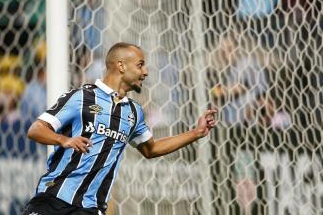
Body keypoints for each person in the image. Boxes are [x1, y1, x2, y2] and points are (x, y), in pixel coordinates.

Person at [21, 42, 218, 215]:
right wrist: (64, 140)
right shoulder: (81, 97)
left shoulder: (134, 112)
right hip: (53, 196)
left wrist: (197, 133)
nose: (146, 72)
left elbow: (151, 149)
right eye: (140, 65)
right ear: (121, 66)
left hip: (89, 207)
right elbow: (36, 129)